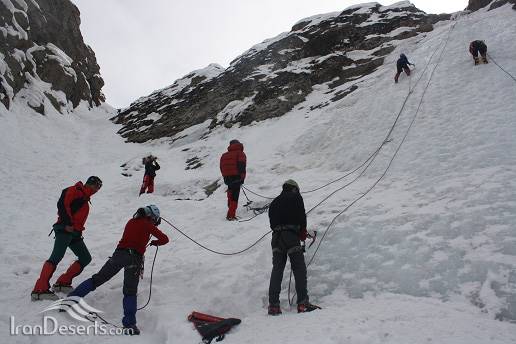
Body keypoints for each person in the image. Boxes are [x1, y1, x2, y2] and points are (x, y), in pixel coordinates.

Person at [68, 205, 169, 335]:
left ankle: (71, 299)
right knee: (130, 292)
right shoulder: (148, 225)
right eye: (155, 220)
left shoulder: (131, 221)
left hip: (119, 255)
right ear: (152, 217)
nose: (155, 222)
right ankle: (129, 325)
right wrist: (155, 242)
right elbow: (165, 239)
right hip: (134, 259)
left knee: (97, 279)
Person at [31, 176, 103, 301]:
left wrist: (77, 231)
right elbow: (62, 205)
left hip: (75, 233)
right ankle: (39, 289)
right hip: (64, 229)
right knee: (56, 257)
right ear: (90, 183)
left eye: (99, 187)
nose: (98, 189)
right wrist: (68, 223)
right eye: (97, 186)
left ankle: (62, 282)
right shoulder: (74, 190)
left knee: (85, 258)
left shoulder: (85, 199)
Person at [267, 180, 320, 315]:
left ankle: (273, 305)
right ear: (295, 189)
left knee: (277, 269)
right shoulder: (296, 197)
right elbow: (302, 217)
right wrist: (302, 234)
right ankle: (303, 303)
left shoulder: (274, 202)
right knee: (298, 268)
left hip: (276, 238)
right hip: (291, 236)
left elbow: (272, 224)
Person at [219, 140, 246, 220]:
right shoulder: (240, 153)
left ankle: (230, 208)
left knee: (231, 191)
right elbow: (242, 166)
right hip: (236, 177)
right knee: (235, 196)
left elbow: (221, 167)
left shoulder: (224, 155)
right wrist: (242, 178)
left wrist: (225, 176)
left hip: (227, 178)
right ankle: (231, 215)